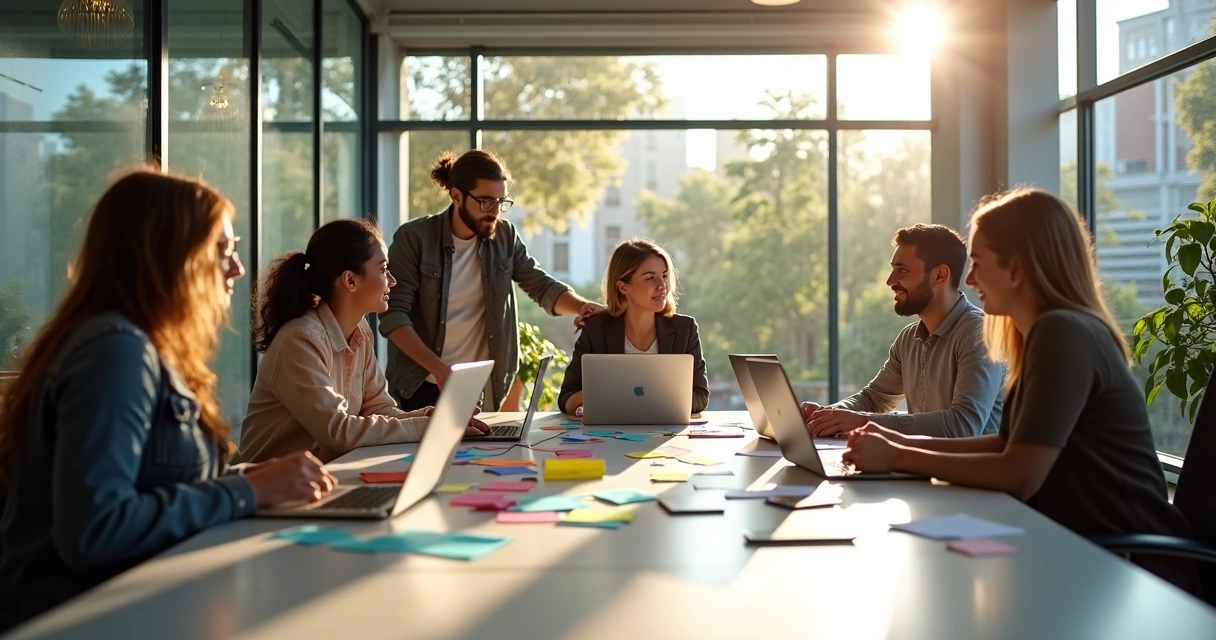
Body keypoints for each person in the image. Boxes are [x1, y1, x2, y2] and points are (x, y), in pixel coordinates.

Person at [0, 169, 335, 630]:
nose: (238, 268)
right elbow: (95, 530)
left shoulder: (141, 347)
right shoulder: (116, 352)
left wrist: (248, 476)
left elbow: (147, 485)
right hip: (80, 615)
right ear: (167, 255)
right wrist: (246, 491)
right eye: (223, 251)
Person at [843, 188, 1198, 593]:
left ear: (1015, 269)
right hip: (1082, 550)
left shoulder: (1062, 332)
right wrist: (891, 441)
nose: (971, 279)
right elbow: (1007, 444)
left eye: (977, 264)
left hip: (1134, 570)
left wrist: (900, 455)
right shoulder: (1041, 333)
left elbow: (1020, 473)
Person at [235, 219, 490, 465]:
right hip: (268, 497)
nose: (392, 281)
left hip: (321, 480)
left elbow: (378, 409)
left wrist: (430, 416)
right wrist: (429, 427)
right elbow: (338, 433)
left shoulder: (360, 331)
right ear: (350, 280)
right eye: (382, 270)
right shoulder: (300, 340)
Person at [379, 149, 606, 412]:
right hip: (422, 384)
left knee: (479, 454)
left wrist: (582, 307)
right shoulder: (414, 239)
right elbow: (394, 315)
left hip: (481, 385)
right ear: (456, 196)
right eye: (485, 202)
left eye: (501, 202)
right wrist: (439, 370)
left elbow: (540, 285)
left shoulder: (505, 237)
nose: (495, 212)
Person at [801, 224, 1005, 438]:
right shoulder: (908, 339)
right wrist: (828, 416)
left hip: (968, 471)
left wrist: (862, 421)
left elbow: (963, 426)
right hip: (922, 469)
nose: (890, 281)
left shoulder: (979, 334)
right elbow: (874, 399)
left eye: (902, 270)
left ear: (939, 275)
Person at [558, 238, 710, 416]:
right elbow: (566, 398)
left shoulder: (685, 329)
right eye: (650, 278)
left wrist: (645, 402)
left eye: (665, 276)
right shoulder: (596, 330)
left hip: (665, 437)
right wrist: (611, 394)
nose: (662, 286)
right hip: (610, 438)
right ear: (623, 287)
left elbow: (700, 396)